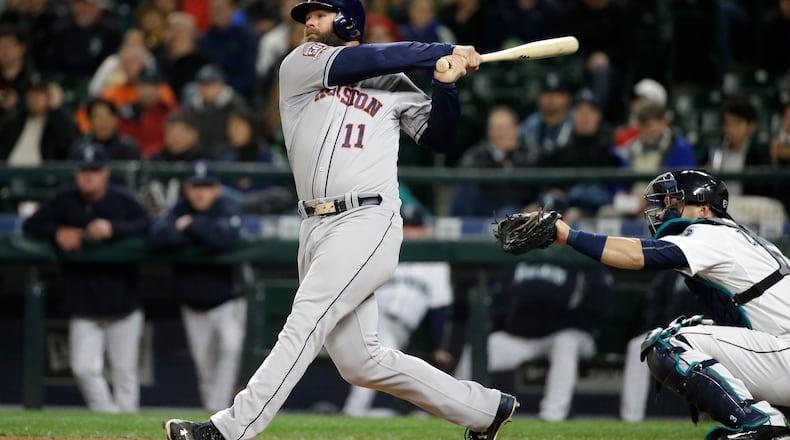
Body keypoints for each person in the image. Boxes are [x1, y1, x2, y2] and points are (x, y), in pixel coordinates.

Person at [164, 2, 518, 440]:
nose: (308, 23)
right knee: (360, 362)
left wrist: (445, 85)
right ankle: (485, 409)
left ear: (348, 18)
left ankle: (229, 430)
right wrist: (444, 49)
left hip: (368, 218)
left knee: (305, 319)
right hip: (314, 224)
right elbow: (370, 58)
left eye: (319, 14)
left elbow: (440, 139)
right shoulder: (301, 62)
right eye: (306, 17)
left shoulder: (394, 82)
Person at [538, 168, 790, 439]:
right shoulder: (740, 238)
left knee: (668, 342)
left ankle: (763, 424)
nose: (662, 212)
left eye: (674, 204)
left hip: (783, 352)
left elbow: (638, 256)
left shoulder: (713, 233)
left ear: (704, 209)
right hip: (778, 352)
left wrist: (568, 236)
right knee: (697, 331)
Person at [22, 143, 151, 413]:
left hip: (123, 301)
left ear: (105, 173)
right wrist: (57, 231)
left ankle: (126, 427)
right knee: (82, 368)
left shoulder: (122, 198)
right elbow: (31, 225)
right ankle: (108, 420)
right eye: (83, 170)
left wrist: (113, 228)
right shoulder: (64, 198)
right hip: (83, 302)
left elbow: (150, 225)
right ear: (76, 172)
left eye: (94, 170)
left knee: (125, 374)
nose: (88, 175)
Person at [454, 261, 614, 422]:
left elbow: (598, 304)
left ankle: (553, 415)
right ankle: (456, 408)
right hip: (520, 338)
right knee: (480, 347)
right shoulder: (520, 257)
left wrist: (561, 322)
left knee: (566, 343)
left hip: (568, 335)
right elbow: (500, 299)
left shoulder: (580, 257)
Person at [342, 199, 454, 417]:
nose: (410, 233)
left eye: (415, 228)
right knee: (375, 355)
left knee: (380, 362)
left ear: (424, 230)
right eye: (406, 226)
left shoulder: (436, 263)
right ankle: (354, 410)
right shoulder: (384, 248)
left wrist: (438, 345)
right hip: (375, 316)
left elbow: (439, 309)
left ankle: (389, 410)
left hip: (402, 327)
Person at [149, 160, 246, 412]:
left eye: (206, 186)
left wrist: (191, 226)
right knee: (205, 369)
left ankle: (219, 414)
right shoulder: (177, 208)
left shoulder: (227, 206)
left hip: (229, 301)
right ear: (185, 188)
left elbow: (223, 239)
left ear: (216, 189)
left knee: (230, 348)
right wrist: (200, 233)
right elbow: (158, 237)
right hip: (193, 305)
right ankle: (213, 416)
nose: (201, 192)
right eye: (195, 186)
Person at [619, 270, 702, 422]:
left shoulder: (710, 274)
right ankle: (631, 416)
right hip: (666, 333)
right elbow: (652, 306)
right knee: (637, 345)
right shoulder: (668, 275)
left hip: (701, 335)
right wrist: (662, 330)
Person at [450, 105, 538, 217]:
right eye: (496, 128)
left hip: (517, 209)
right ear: (488, 130)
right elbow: (463, 170)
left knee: (508, 213)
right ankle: (459, 229)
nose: (500, 133)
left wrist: (511, 157)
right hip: (485, 205)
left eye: (504, 128)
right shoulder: (478, 154)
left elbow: (534, 190)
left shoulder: (529, 154)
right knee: (463, 189)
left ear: (516, 129)